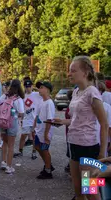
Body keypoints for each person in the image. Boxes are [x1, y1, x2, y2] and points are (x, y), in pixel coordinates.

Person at [55, 56, 108, 200]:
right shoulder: (77, 92)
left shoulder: (92, 92)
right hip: (73, 145)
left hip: (88, 148)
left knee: (90, 190)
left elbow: (104, 124)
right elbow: (75, 120)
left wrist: (102, 154)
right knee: (78, 190)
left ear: (85, 72)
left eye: (73, 71)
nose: (69, 74)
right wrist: (62, 121)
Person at [0, 79, 24, 174]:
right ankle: (9, 167)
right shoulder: (18, 99)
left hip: (2, 121)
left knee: (4, 143)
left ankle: (3, 162)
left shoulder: (4, 96)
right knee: (11, 145)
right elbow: (21, 113)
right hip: (12, 122)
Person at [13, 79, 42, 160]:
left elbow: (45, 93)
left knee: (34, 136)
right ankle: (20, 151)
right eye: (26, 86)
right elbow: (21, 109)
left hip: (34, 119)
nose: (28, 88)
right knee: (23, 136)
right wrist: (21, 120)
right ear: (24, 87)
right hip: (26, 119)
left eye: (29, 86)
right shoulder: (23, 96)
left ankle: (34, 152)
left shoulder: (37, 94)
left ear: (32, 86)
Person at [32, 81, 55, 179]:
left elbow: (49, 119)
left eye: (41, 87)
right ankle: (48, 164)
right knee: (37, 147)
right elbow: (37, 115)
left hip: (46, 131)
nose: (39, 89)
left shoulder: (49, 103)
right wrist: (33, 128)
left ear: (47, 90)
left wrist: (46, 134)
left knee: (45, 150)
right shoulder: (41, 101)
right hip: (39, 130)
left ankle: (48, 171)